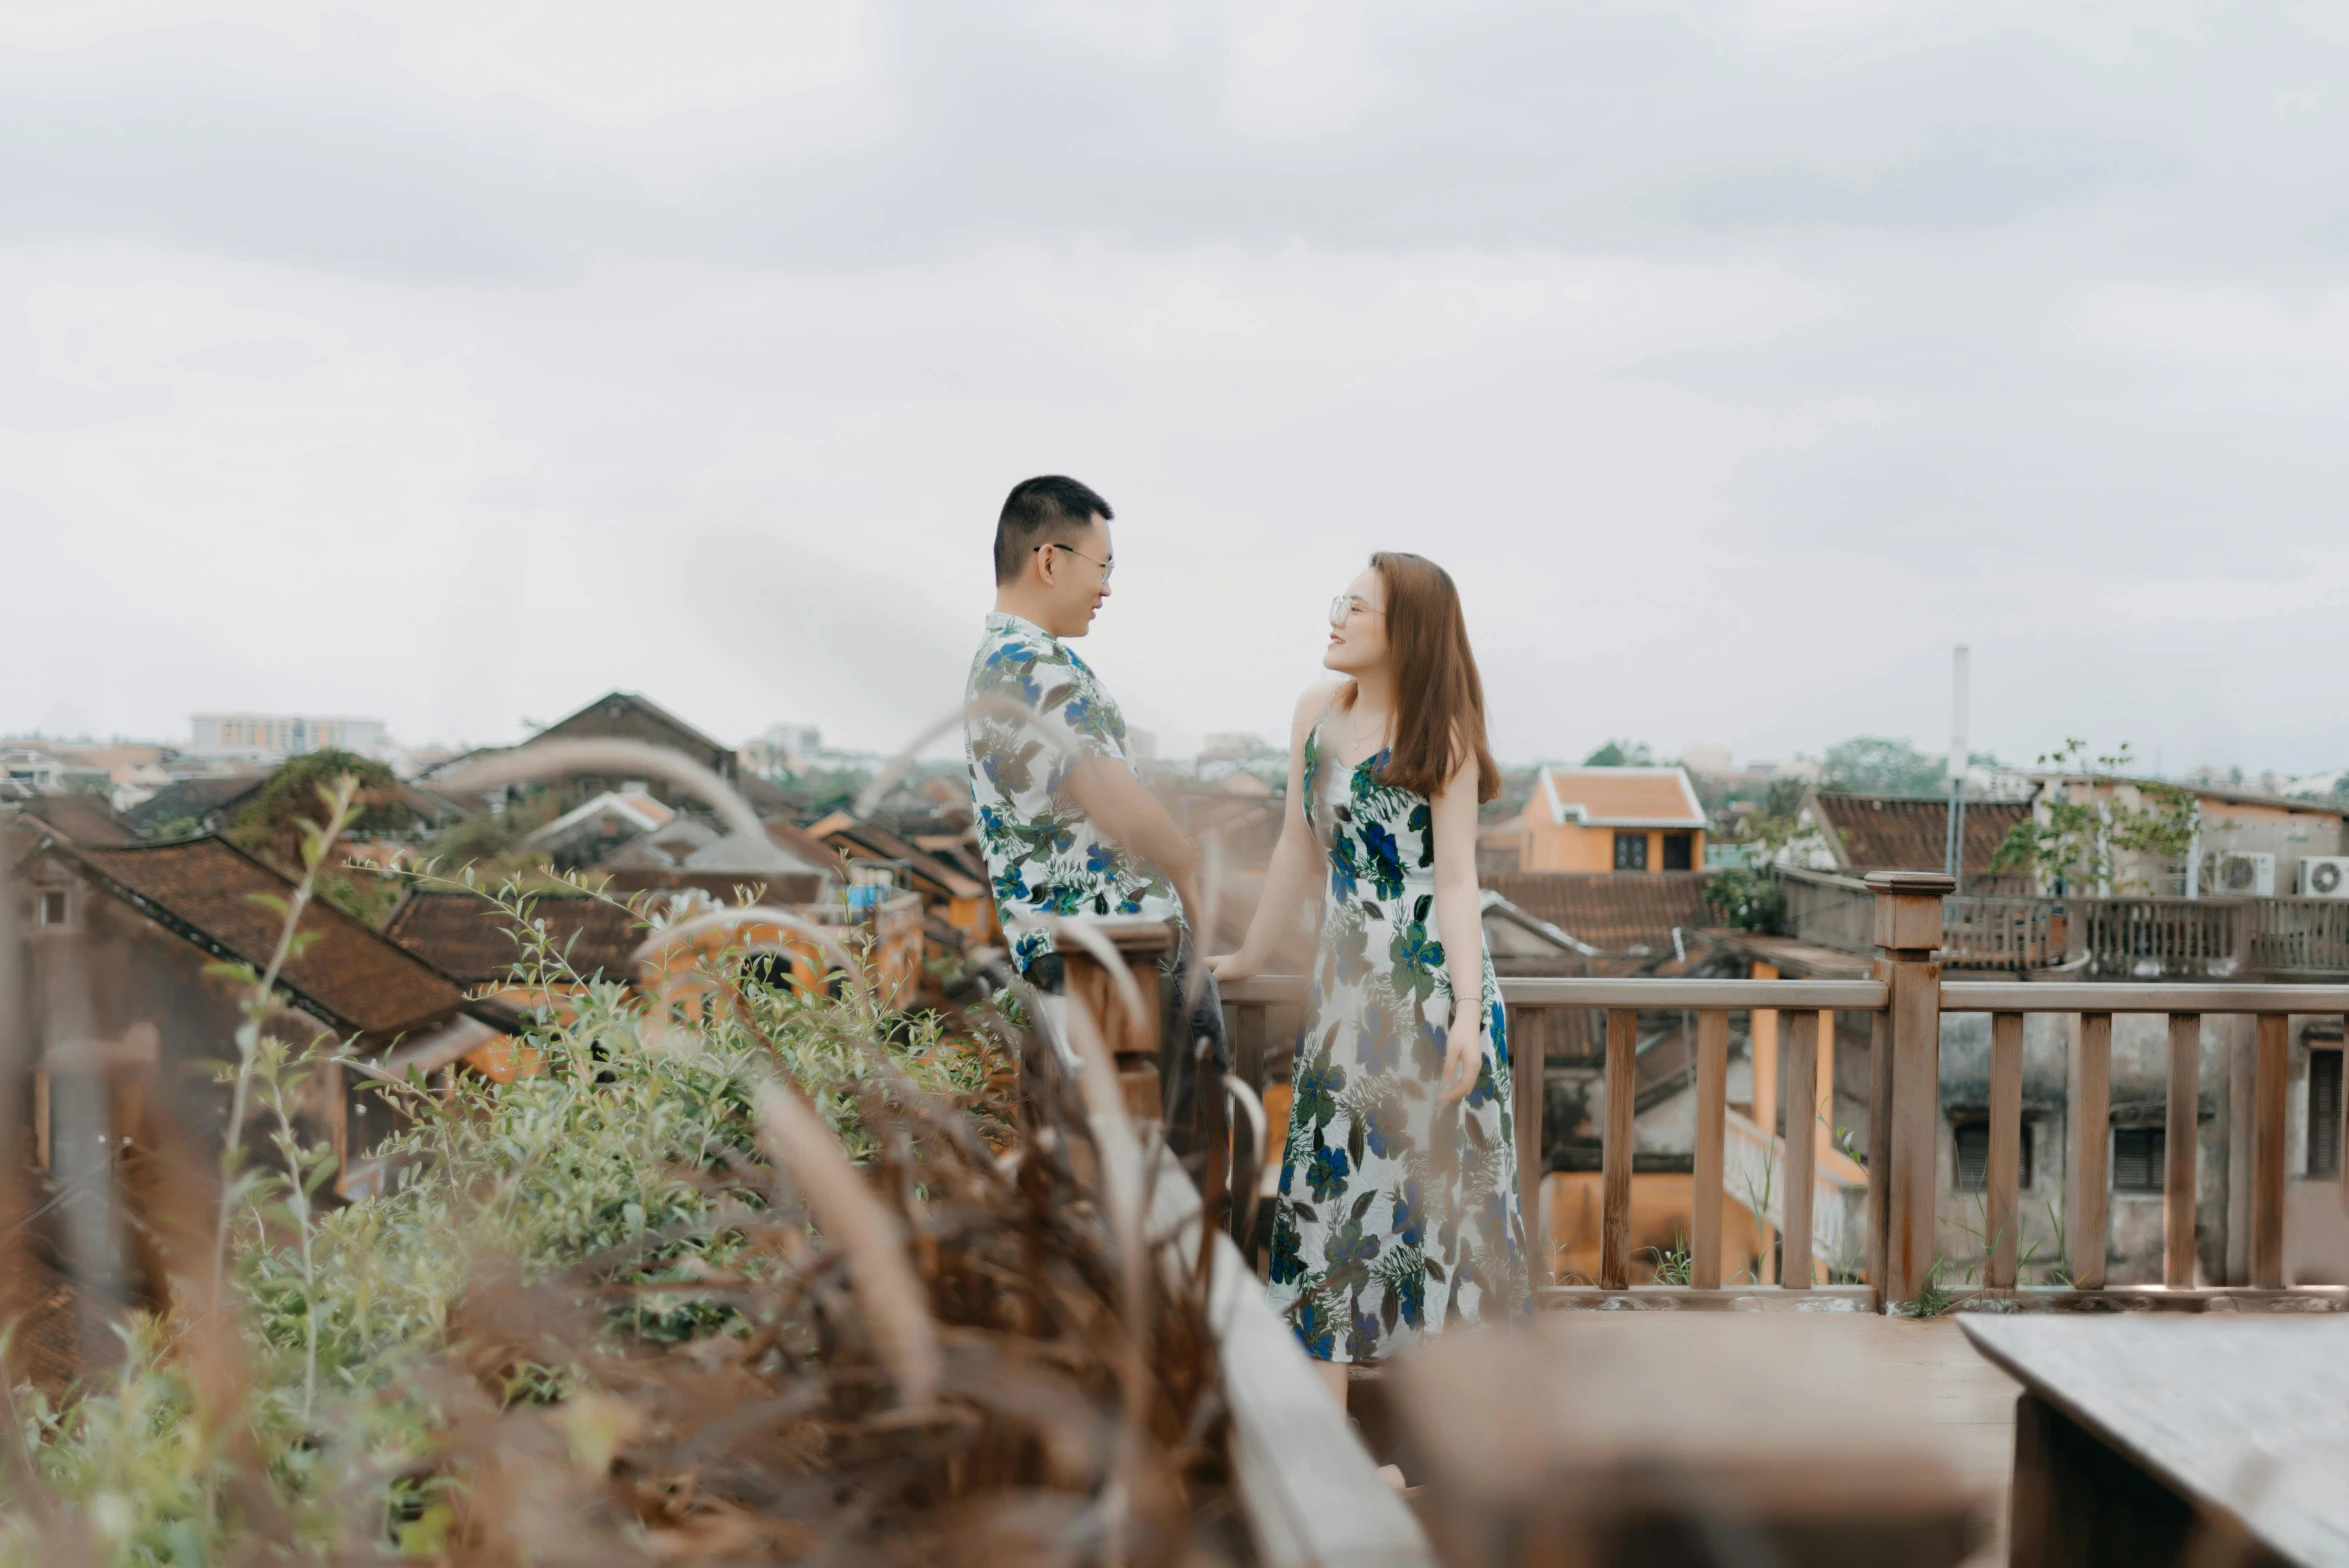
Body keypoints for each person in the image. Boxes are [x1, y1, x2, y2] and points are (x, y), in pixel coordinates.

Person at [1210, 552, 1527, 1411]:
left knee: (1447, 1214)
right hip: (1347, 999)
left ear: (1405, 634)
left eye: (1357, 607)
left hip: (1431, 992)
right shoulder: (1315, 714)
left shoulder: (1443, 737)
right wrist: (1243, 957)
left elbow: (1456, 881)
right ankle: (1330, 1453)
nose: (1337, 617)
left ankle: (1460, 1464)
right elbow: (1291, 844)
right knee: (1328, 1200)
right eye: (1338, 602)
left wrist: (1466, 1014)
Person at [964, 475, 1229, 1155]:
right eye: (1102, 566)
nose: (1107, 587)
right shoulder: (1033, 667)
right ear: (1049, 560)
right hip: (1123, 961)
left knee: (1129, 1168)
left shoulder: (1000, 662)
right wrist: (1183, 856)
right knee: (1181, 1164)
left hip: (1080, 962)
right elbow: (1114, 800)